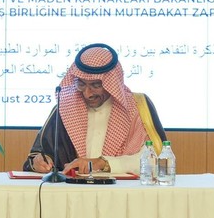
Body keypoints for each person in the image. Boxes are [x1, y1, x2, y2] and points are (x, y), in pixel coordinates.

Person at [23, 43, 166, 175]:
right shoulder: (64, 110)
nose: (87, 94)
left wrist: (104, 163)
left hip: (122, 191)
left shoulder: (138, 107)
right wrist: (38, 163)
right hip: (72, 191)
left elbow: (157, 159)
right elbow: (38, 155)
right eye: (81, 84)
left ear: (112, 82)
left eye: (96, 85)